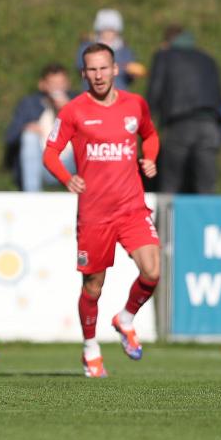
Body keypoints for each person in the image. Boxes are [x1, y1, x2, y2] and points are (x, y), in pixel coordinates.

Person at [44, 44, 160, 378]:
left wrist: (149, 157)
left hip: (132, 207)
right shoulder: (74, 111)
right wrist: (67, 178)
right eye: (91, 70)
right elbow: (51, 153)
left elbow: (150, 135)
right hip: (94, 214)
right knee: (93, 287)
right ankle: (90, 349)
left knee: (152, 272)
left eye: (104, 68)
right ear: (84, 74)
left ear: (115, 69)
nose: (98, 75)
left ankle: (125, 319)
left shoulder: (134, 105)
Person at [146, 26, 221, 194]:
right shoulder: (208, 59)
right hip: (210, 126)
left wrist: (146, 123)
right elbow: (220, 98)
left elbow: (155, 90)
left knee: (171, 182)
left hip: (180, 124)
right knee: (206, 185)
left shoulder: (164, 56)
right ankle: (207, 220)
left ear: (167, 42)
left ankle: (167, 221)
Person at [4, 63, 76, 191]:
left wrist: (71, 110)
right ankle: (32, 199)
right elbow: (10, 137)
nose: (57, 88)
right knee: (29, 136)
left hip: (72, 163)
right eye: (53, 84)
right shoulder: (29, 104)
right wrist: (25, 128)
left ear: (68, 84)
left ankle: (93, 197)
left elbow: (95, 132)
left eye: (61, 83)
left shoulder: (78, 102)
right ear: (43, 85)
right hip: (41, 163)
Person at [75, 9, 146, 91]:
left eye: (112, 30)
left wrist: (131, 74)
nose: (109, 33)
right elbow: (80, 67)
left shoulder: (126, 51)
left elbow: (129, 79)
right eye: (105, 30)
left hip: (118, 93)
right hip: (92, 92)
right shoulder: (87, 47)